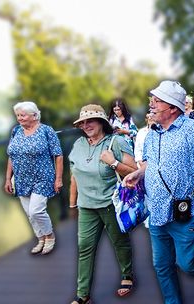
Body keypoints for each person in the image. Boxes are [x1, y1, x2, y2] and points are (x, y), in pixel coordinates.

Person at [124, 80, 194, 304]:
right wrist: (138, 174)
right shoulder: (153, 133)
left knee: (189, 263)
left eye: (157, 101)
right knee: (162, 265)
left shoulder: (193, 129)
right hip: (157, 212)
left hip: (188, 211)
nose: (152, 105)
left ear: (172, 107)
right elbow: (150, 164)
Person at [69, 104, 138, 304]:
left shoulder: (115, 142)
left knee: (119, 242)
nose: (86, 125)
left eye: (90, 120)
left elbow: (134, 172)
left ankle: (127, 275)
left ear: (101, 122)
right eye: (82, 122)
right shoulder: (78, 145)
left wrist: (113, 163)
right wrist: (73, 205)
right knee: (84, 247)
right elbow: (74, 177)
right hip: (86, 206)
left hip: (111, 204)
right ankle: (83, 296)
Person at [5, 101, 63, 255]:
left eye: (23, 115)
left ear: (34, 115)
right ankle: (41, 238)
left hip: (42, 177)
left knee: (36, 211)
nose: (19, 118)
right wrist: (7, 179)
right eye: (18, 115)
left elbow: (58, 155)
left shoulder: (46, 131)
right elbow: (11, 156)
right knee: (30, 214)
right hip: (21, 179)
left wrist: (58, 179)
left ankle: (50, 236)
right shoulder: (16, 131)